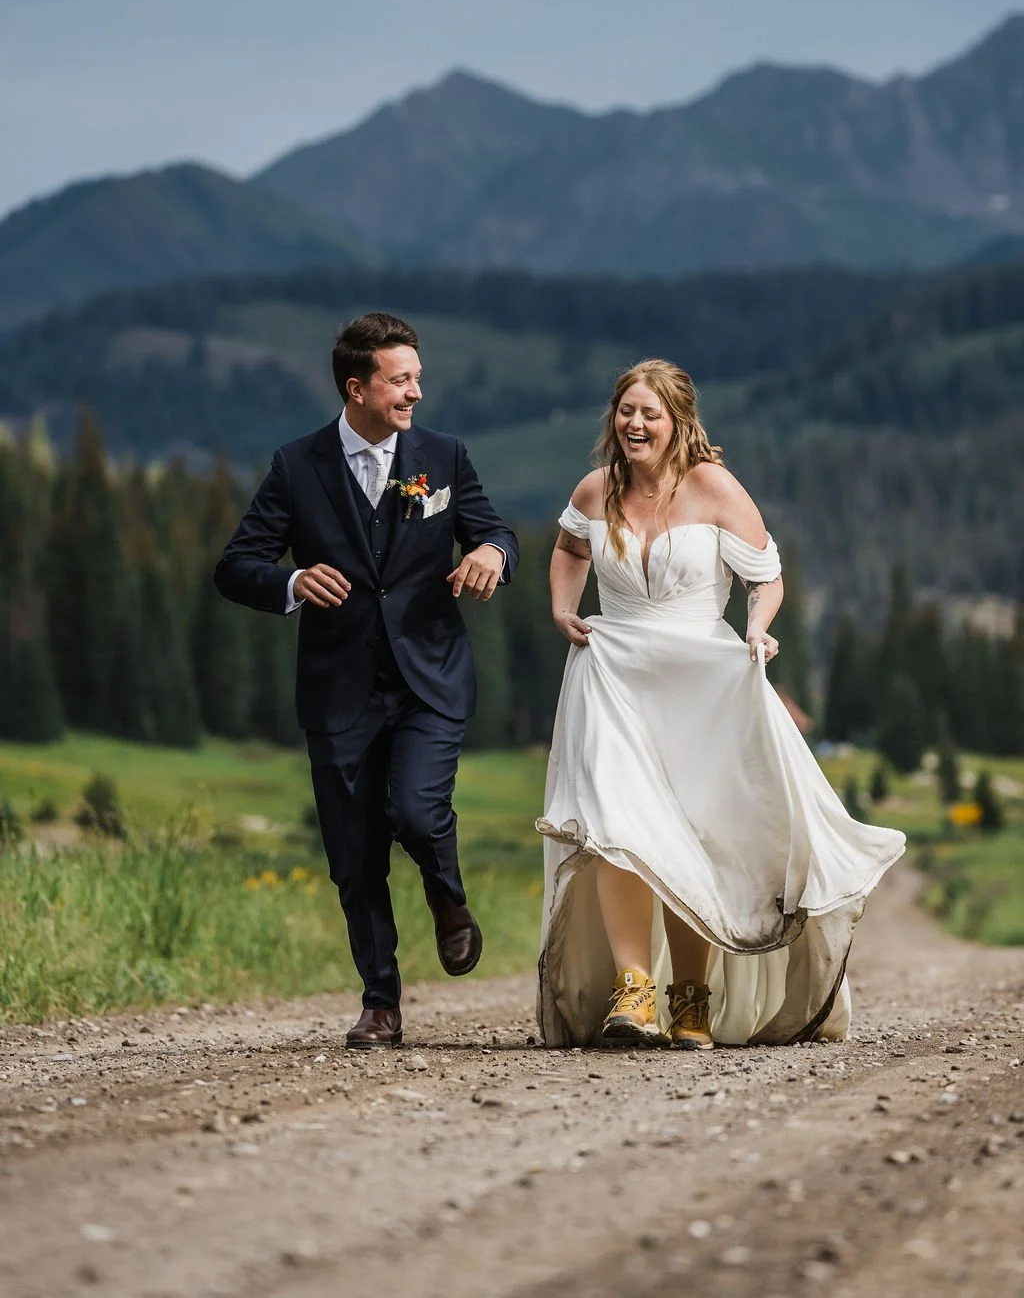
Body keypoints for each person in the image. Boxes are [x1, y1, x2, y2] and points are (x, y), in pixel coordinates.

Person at [537, 359, 904, 1049]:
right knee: (619, 827)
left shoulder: (712, 487)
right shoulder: (596, 490)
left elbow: (766, 576)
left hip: (700, 686)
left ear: (679, 421)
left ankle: (691, 1000)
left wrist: (758, 628)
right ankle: (634, 993)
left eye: (649, 413)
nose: (635, 424)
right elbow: (566, 547)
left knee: (690, 837)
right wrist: (564, 609)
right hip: (613, 676)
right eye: (625, 411)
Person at [215, 312, 518, 1049]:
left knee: (417, 811)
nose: (417, 390)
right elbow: (235, 566)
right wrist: (290, 580)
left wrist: (491, 556)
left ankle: (448, 900)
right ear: (357, 388)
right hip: (338, 688)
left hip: (429, 677)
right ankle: (380, 1001)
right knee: (354, 857)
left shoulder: (442, 457)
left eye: (417, 375)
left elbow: (495, 529)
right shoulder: (298, 466)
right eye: (401, 378)